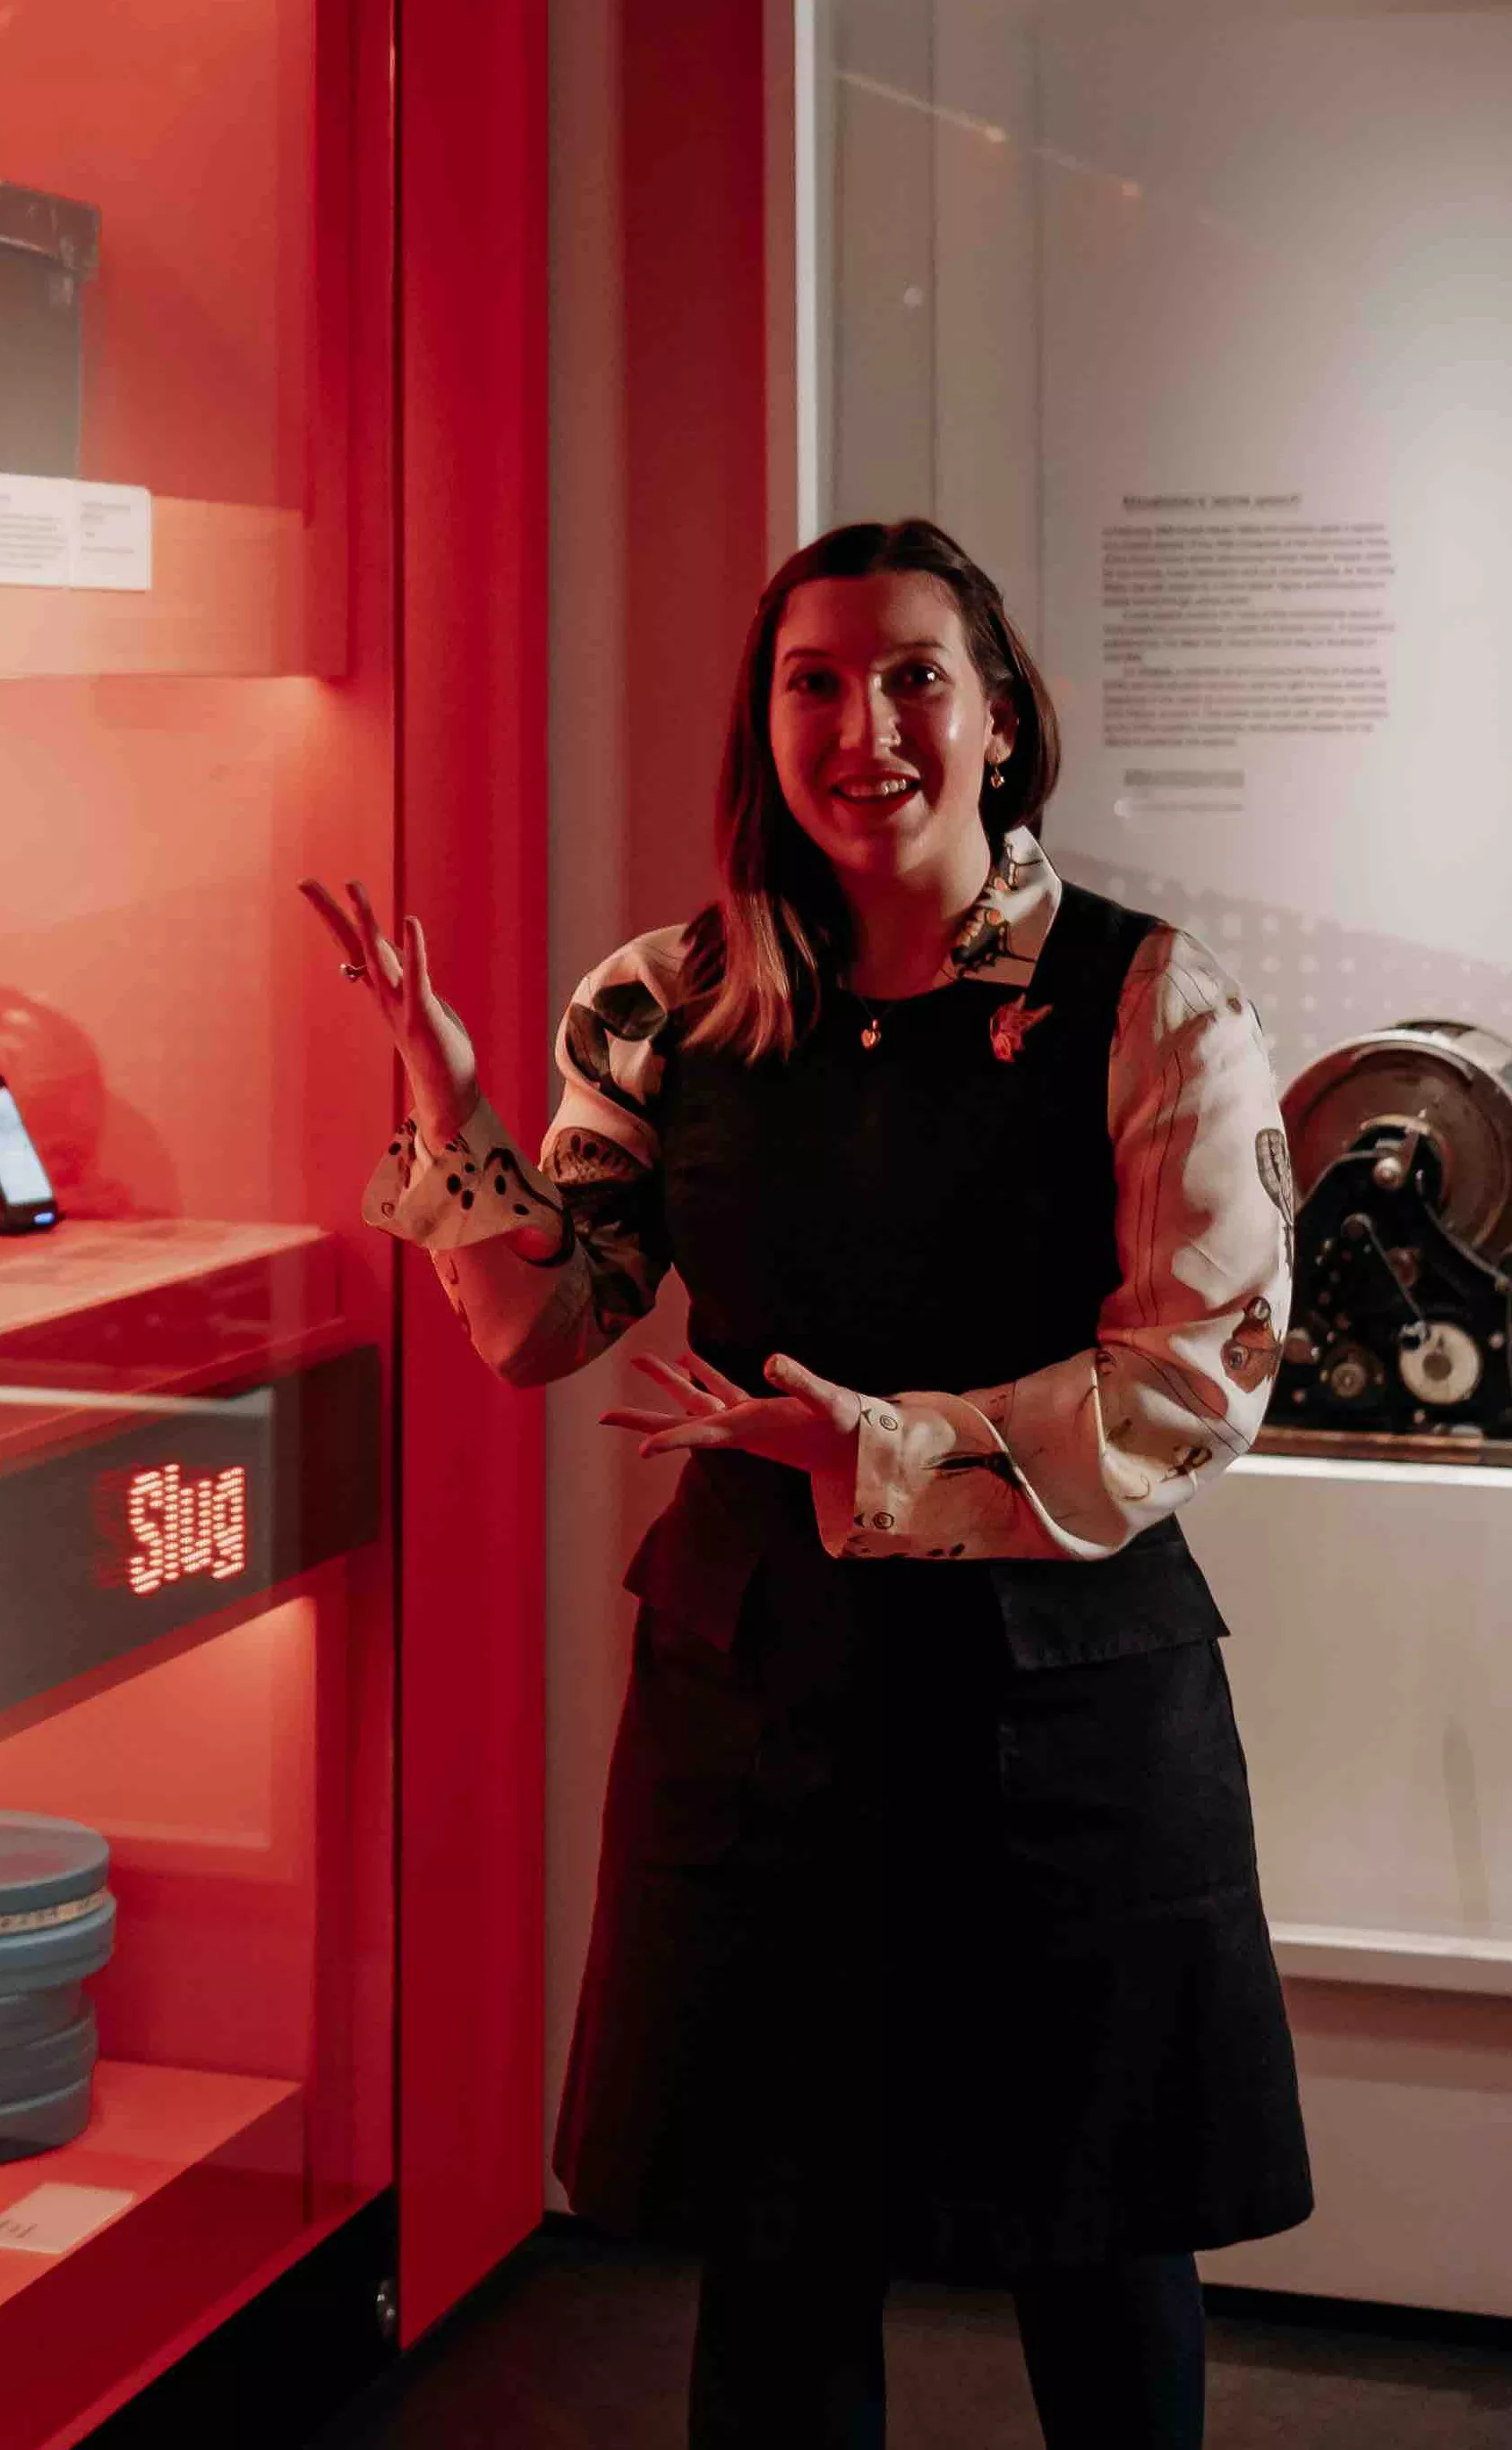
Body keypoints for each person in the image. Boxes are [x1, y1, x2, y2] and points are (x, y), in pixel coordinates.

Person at [303, 518, 1311, 2450]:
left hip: (1065, 1710)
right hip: (764, 1694)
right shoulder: (663, 1000)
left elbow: (1197, 1387)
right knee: (776, 2250)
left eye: (916, 677)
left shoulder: (1151, 1001)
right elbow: (548, 1322)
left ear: (1000, 718)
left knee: (1099, 2237)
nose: (867, 730)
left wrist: (881, 1451)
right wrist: (450, 1101)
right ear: (764, 725)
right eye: (815, 683)